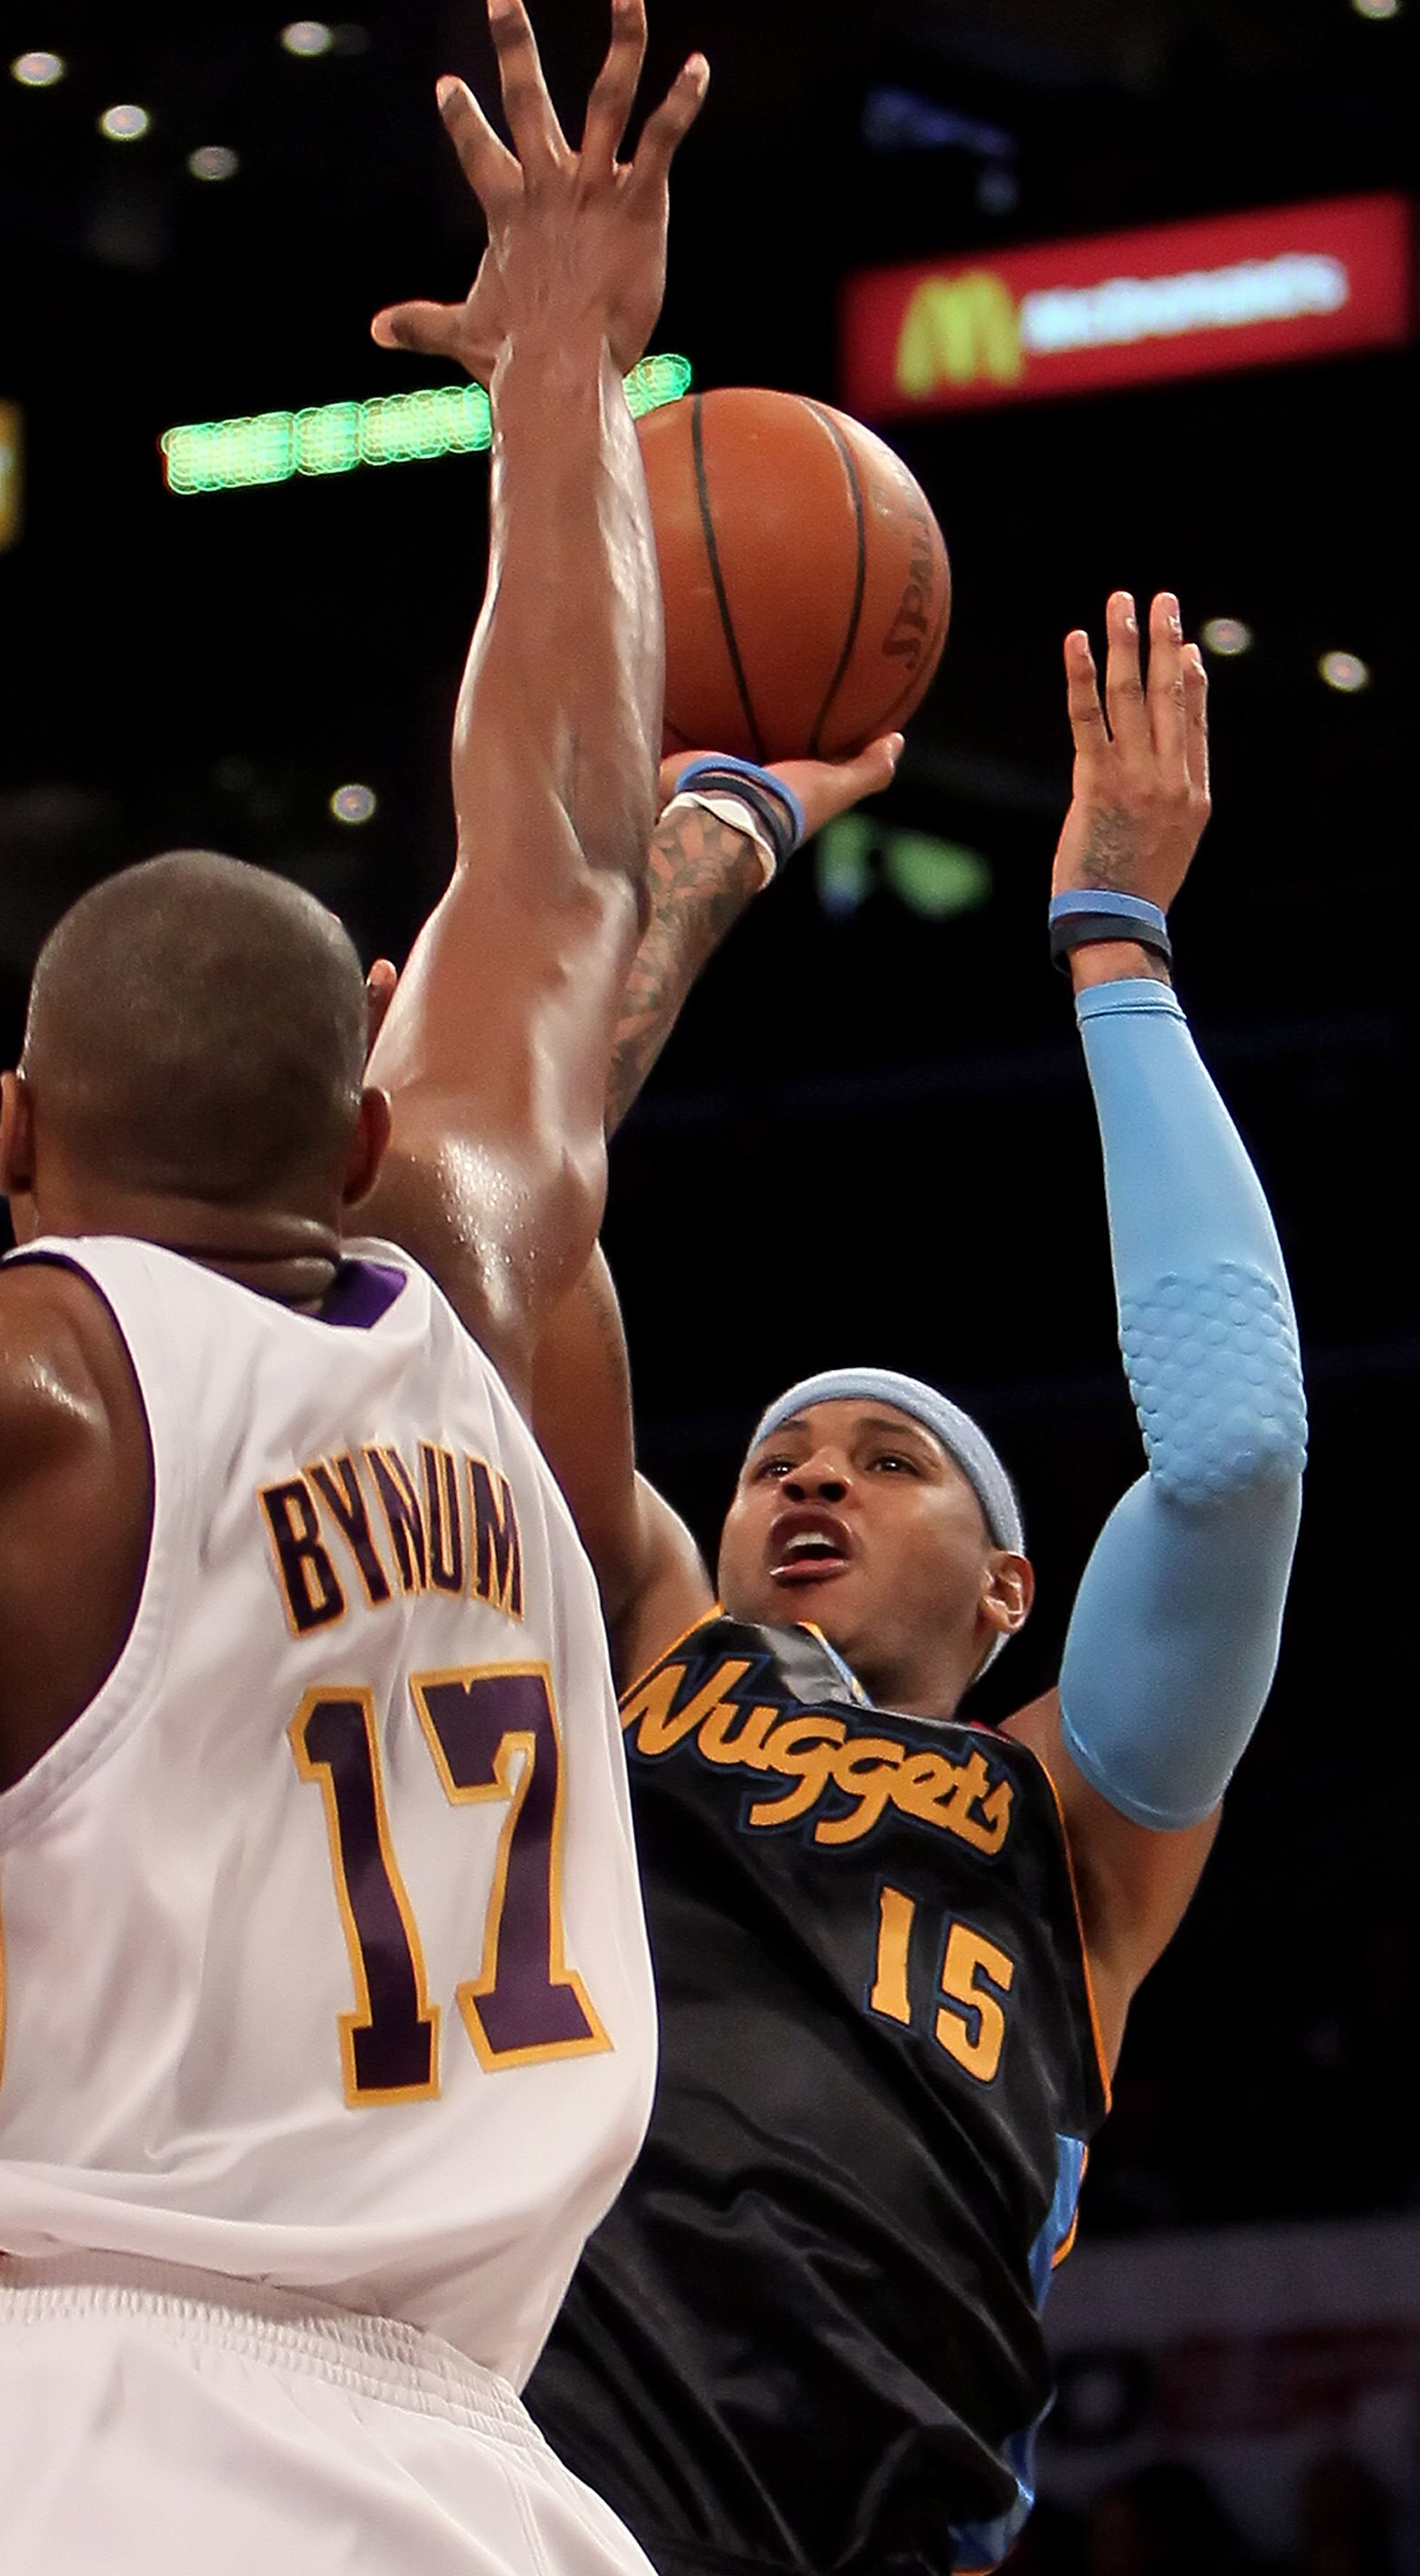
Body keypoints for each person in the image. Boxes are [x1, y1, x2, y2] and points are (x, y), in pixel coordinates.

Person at [0, 0, 706, 2576]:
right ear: (366, 1137)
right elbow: (566, 840)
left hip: (33, 2438)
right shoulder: (484, 1270)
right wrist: (568, 370)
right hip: (474, 2483)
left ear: (13, 1129)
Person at [520, 596, 1308, 2576]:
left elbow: (1232, 1461)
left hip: (867, 2517)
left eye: (891, 1464)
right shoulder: (644, 1643)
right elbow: (501, 1206)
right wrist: (712, 837)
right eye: (779, 1457)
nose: (813, 1478)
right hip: (513, 2474)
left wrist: (1117, 942)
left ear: (1009, 1588)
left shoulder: (1076, 1813)